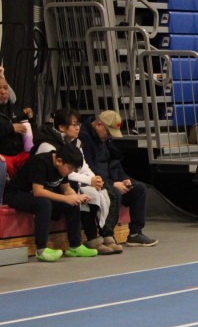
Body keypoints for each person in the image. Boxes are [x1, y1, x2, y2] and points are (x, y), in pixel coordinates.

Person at [34, 108, 122, 255]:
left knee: (98, 191)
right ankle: (92, 239)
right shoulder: (47, 146)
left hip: (62, 184)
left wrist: (94, 179)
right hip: (48, 187)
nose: (78, 128)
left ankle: (104, 234)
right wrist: (88, 180)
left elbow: (83, 167)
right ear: (62, 127)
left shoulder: (75, 142)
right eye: (74, 124)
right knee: (80, 191)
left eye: (78, 124)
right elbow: (64, 173)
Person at [4, 142, 98, 262]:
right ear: (59, 161)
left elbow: (66, 188)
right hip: (16, 194)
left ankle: (75, 246)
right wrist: (66, 198)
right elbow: (38, 192)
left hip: (34, 195)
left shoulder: (63, 166)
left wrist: (76, 197)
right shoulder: (41, 162)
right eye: (70, 168)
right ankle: (41, 249)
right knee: (44, 204)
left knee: (72, 203)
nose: (71, 172)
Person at [79, 110, 158, 247]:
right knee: (114, 192)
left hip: (111, 180)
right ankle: (107, 234)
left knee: (139, 189)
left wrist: (123, 179)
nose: (110, 136)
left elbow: (115, 162)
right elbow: (89, 168)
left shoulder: (105, 139)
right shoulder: (83, 138)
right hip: (94, 181)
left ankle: (135, 234)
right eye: (109, 132)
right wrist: (112, 184)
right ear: (99, 125)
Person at [0, 76, 32, 203]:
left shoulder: (14, 108)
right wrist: (10, 128)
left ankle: (29, 196)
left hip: (19, 153)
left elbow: (23, 124)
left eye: (5, 88)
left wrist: (27, 115)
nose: (3, 91)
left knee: (34, 160)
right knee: (3, 165)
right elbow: (11, 126)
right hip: (3, 154)